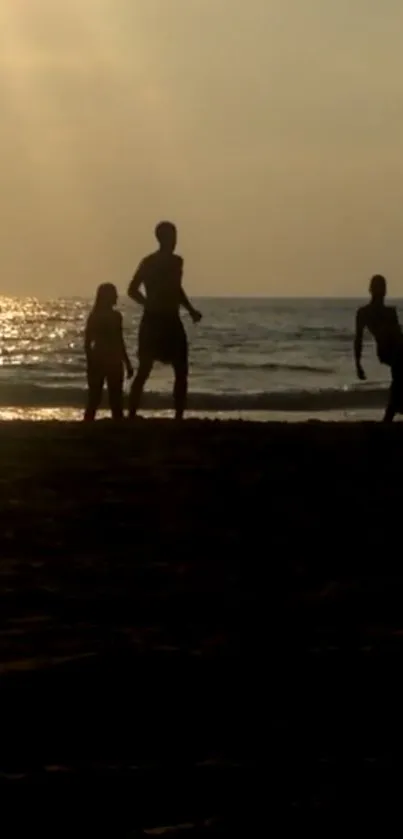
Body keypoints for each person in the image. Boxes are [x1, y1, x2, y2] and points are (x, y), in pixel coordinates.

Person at [127, 221, 202, 420]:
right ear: (162, 238)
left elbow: (176, 289)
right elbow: (132, 289)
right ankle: (131, 413)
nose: (174, 241)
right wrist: (148, 304)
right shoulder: (149, 262)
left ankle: (179, 415)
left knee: (181, 369)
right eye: (171, 237)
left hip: (171, 318)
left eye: (175, 236)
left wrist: (191, 310)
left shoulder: (177, 262)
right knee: (144, 369)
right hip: (154, 320)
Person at [354, 274, 403, 422]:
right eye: (378, 289)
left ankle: (392, 411)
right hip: (386, 351)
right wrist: (358, 364)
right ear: (371, 290)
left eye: (383, 289)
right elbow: (359, 339)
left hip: (397, 348)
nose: (381, 293)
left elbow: (398, 335)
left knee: (400, 377)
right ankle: (391, 411)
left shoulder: (390, 312)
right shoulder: (364, 313)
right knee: (400, 375)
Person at [84, 283, 133, 421]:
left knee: (99, 398)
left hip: (105, 359)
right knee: (108, 399)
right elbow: (89, 342)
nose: (117, 297)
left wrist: (127, 363)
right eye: (114, 294)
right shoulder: (109, 316)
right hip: (107, 360)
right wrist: (127, 363)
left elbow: (88, 343)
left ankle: (89, 424)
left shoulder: (99, 316)